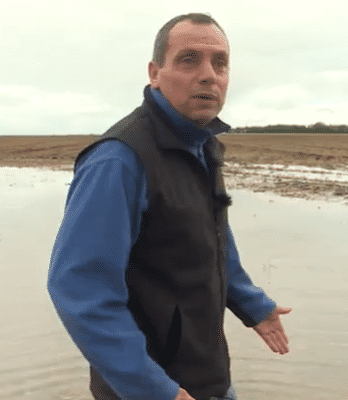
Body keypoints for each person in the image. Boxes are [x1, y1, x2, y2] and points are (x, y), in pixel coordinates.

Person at [48, 13, 291, 400]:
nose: (209, 74)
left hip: (207, 377)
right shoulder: (118, 161)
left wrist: (251, 303)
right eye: (189, 59)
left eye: (220, 62)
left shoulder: (202, 146)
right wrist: (155, 390)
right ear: (155, 72)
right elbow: (81, 290)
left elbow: (212, 236)